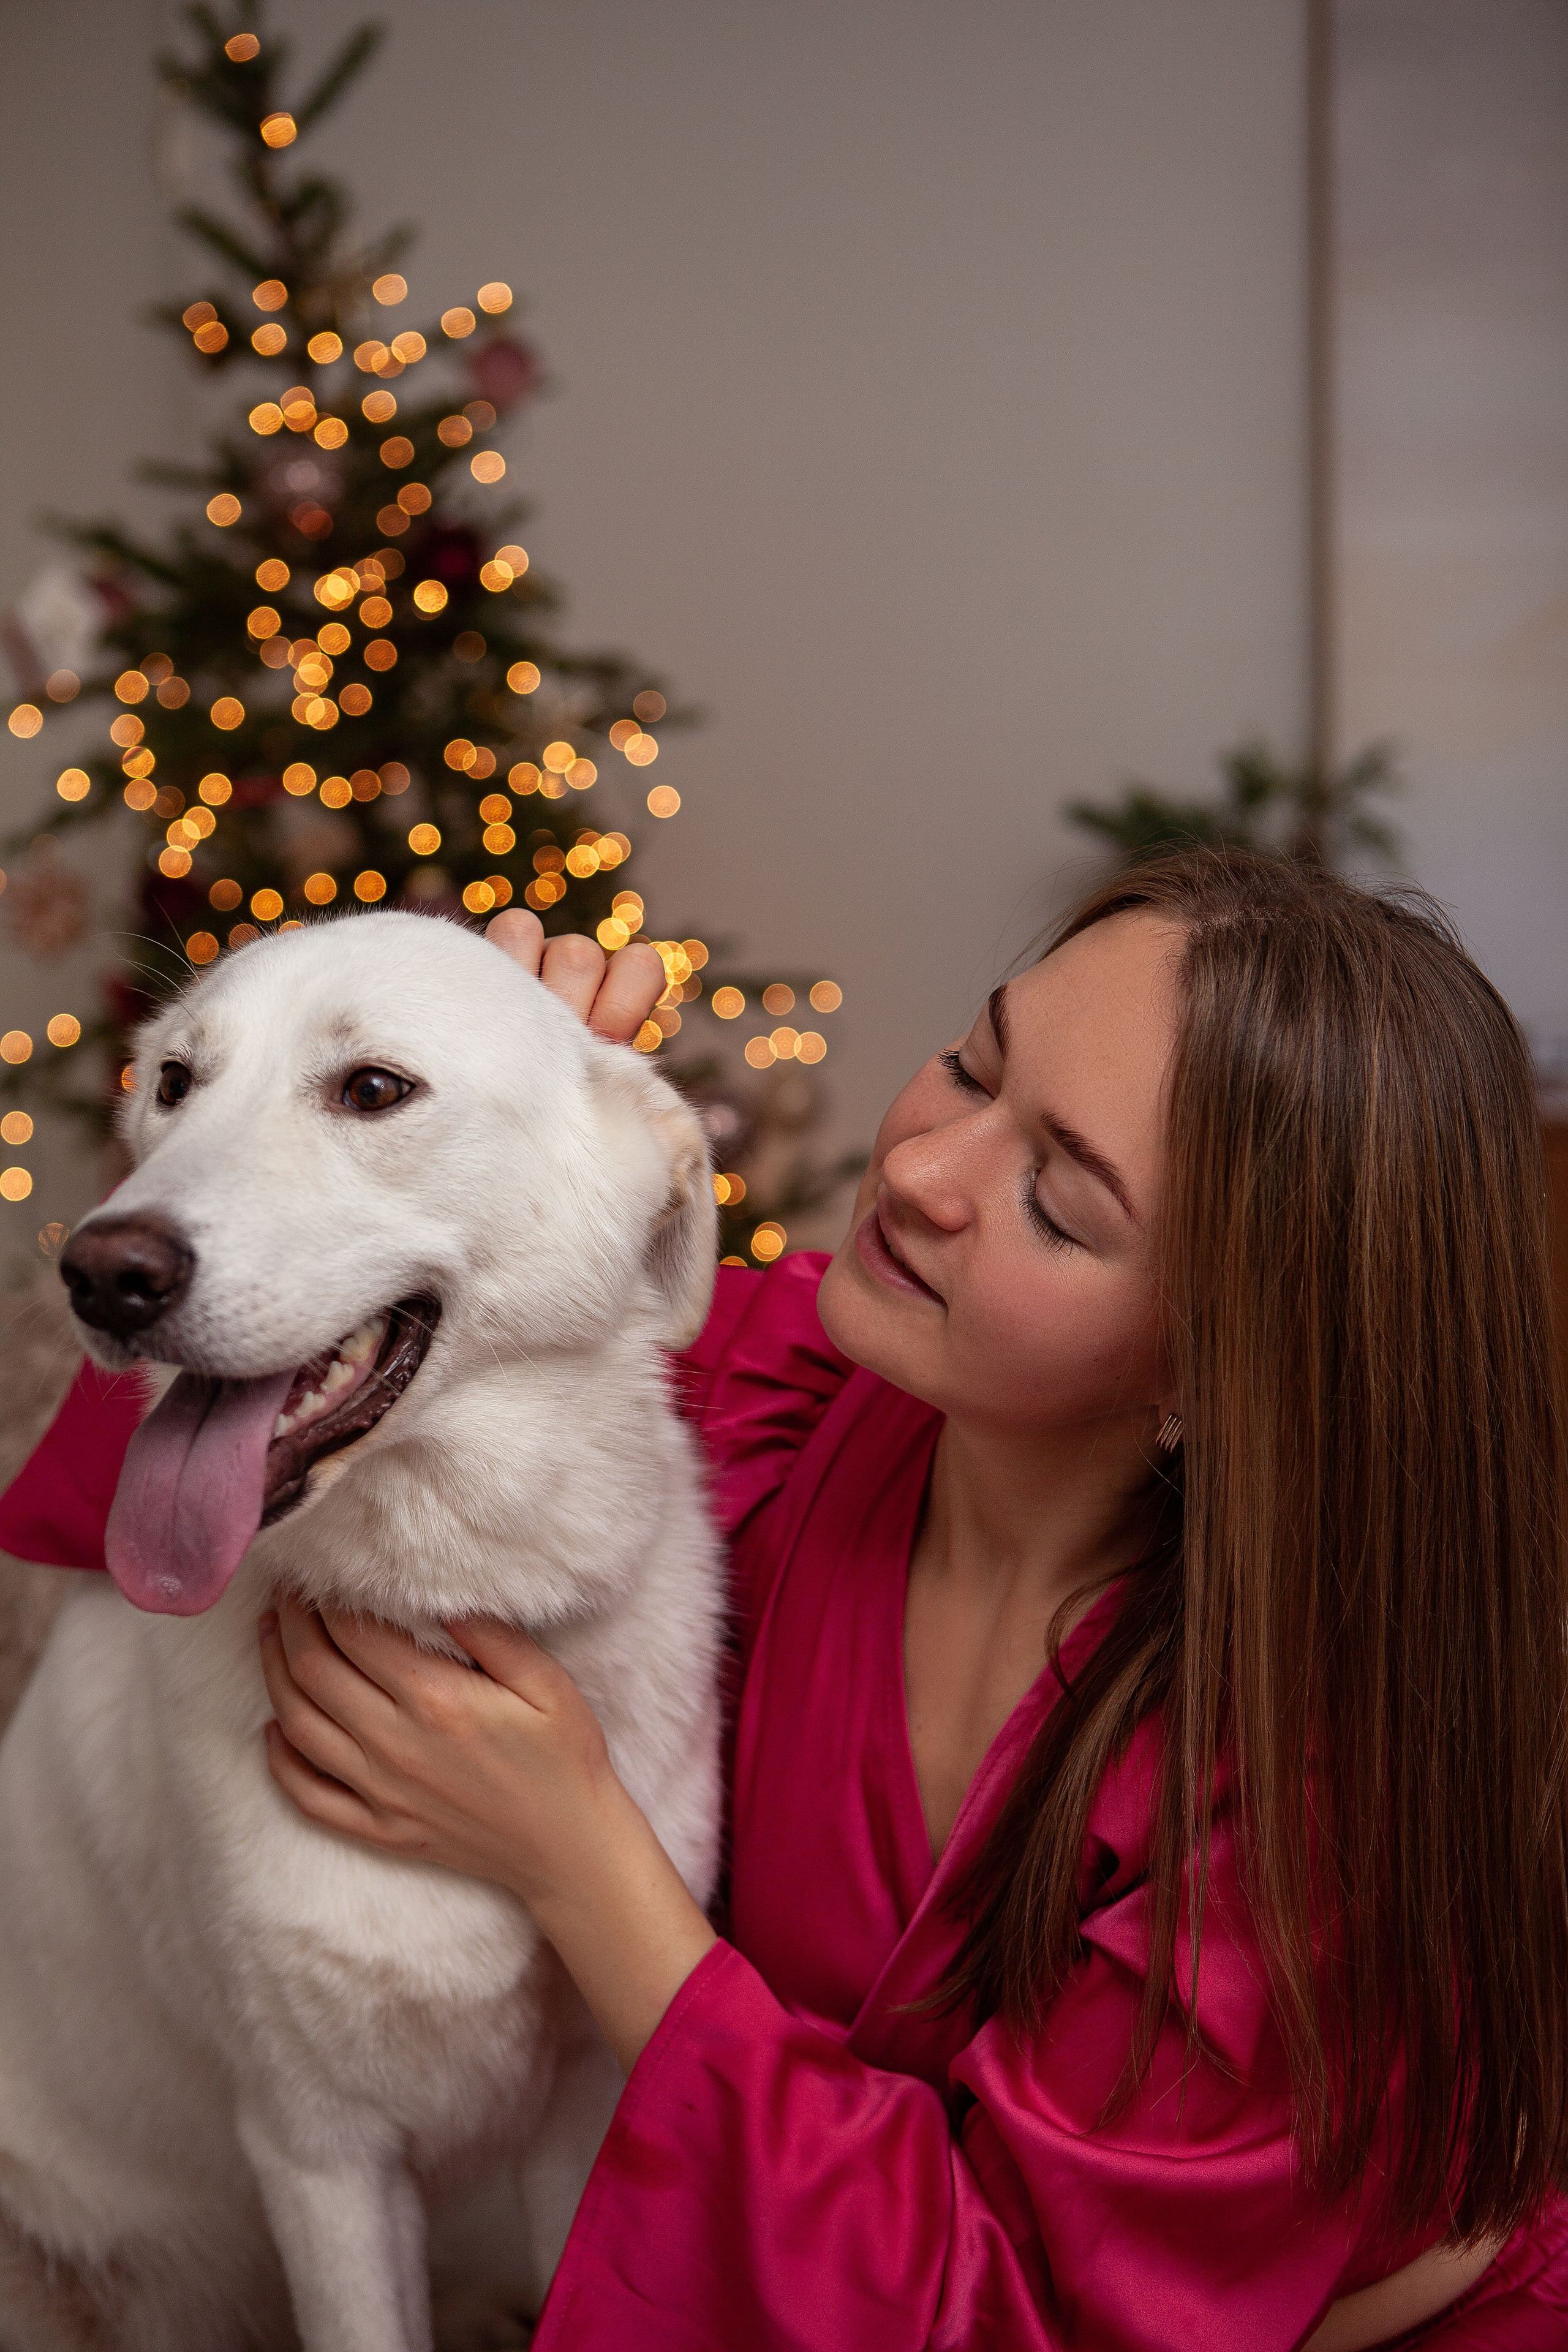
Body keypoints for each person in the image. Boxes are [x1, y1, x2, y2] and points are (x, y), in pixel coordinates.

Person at [4, 850, 1567, 2349]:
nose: (917, 1169)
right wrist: (464, 1099)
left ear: (1218, 1368)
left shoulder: (1305, 1803)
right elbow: (111, 1498)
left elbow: (1015, 2318)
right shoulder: (789, 1392)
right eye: (970, 1066)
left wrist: (583, 1867)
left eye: (1057, 1201)